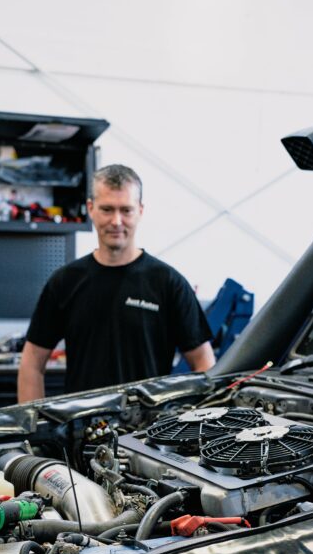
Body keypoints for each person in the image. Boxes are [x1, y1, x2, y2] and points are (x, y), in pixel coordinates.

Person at [17, 164, 215, 401]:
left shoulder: (168, 283)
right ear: (91, 208)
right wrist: (34, 432)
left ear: (140, 211)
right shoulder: (65, 282)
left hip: (147, 434)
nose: (116, 221)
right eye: (107, 209)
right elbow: (31, 364)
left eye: (126, 210)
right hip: (83, 432)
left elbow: (204, 363)